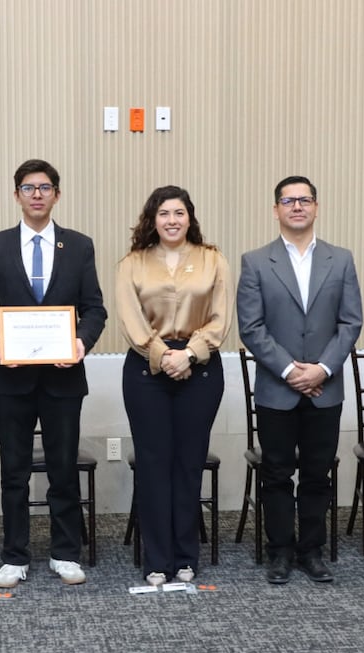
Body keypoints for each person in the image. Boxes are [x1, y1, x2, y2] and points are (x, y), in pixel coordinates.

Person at [0, 159, 107, 588]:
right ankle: (14, 556)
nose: (37, 195)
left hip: (63, 379)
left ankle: (65, 553)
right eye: (28, 188)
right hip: (10, 380)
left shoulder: (78, 246)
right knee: (14, 471)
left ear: (57, 195)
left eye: (45, 187)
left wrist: (81, 342)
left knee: (63, 469)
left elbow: (95, 309)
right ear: (17, 195)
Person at [237, 176, 362, 585]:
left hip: (326, 388)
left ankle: (312, 551)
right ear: (275, 209)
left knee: (316, 474)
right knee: (276, 474)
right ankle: (280, 551)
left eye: (304, 200)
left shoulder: (340, 259)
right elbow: (251, 327)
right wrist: (291, 371)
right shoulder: (256, 261)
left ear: (316, 207)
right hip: (277, 389)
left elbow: (350, 322)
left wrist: (322, 368)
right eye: (288, 200)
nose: (297, 207)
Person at [116, 186, 232, 586]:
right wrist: (163, 355)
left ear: (190, 217)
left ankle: (185, 556)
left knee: (188, 464)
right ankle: (156, 559)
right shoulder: (132, 263)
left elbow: (220, 317)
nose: (172, 220)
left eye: (179, 213)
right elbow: (131, 318)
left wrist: (189, 354)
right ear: (153, 219)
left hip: (200, 371)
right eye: (164, 213)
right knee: (153, 466)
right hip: (146, 371)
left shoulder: (212, 259)